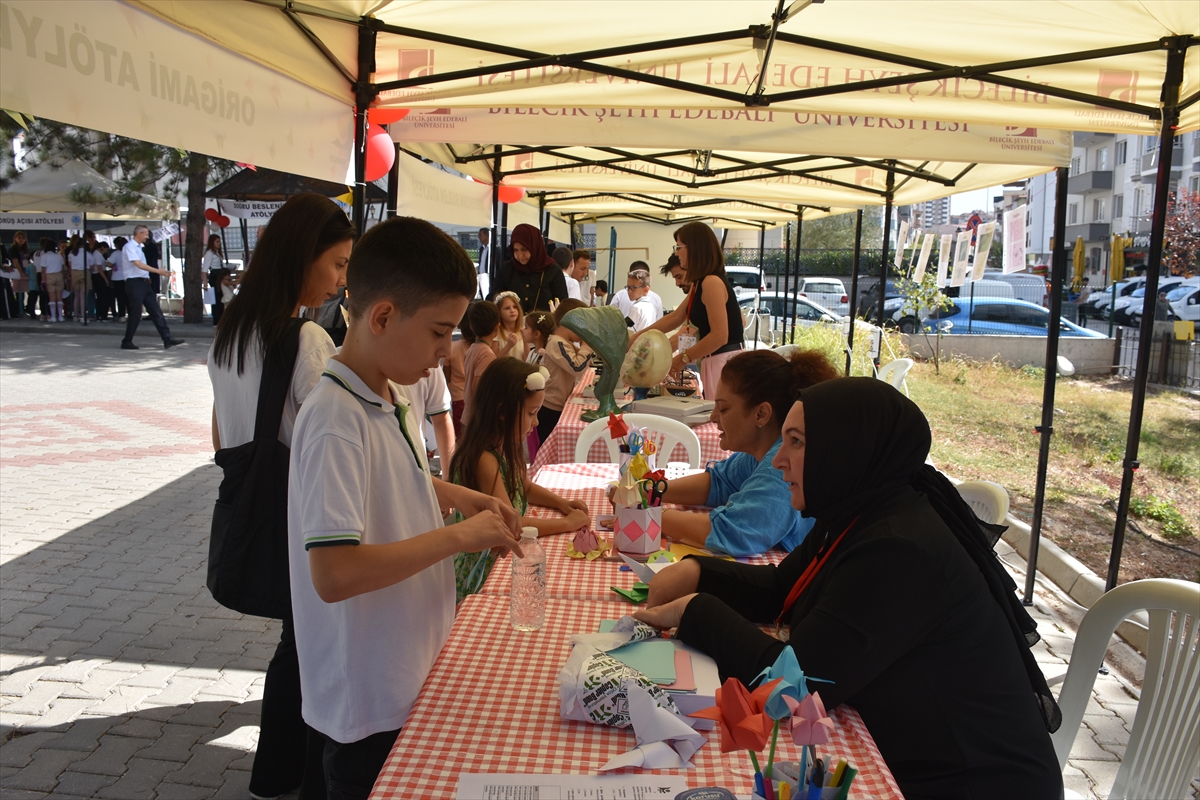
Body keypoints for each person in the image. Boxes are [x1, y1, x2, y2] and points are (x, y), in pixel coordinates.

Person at [634, 378, 1063, 800]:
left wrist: (696, 610)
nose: (779, 460)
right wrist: (698, 571)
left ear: (847, 449)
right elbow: (782, 588)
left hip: (971, 783)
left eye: (797, 442)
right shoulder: (857, 512)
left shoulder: (897, 550)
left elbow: (794, 688)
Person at [289, 215, 522, 800]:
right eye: (439, 333)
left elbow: (399, 478)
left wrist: (457, 497)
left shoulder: (384, 393)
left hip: (406, 671)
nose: (446, 354)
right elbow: (335, 572)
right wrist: (456, 539)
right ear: (383, 316)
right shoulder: (335, 420)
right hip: (369, 700)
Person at [209, 193, 354, 799]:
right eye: (339, 263)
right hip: (303, 511)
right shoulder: (305, 340)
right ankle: (296, 777)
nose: (343, 279)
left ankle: (274, 776)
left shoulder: (230, 331)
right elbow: (335, 435)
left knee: (296, 645)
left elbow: (219, 430)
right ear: (305, 256)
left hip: (248, 495)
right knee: (312, 650)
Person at [648, 349, 835, 556]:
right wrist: (650, 492)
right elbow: (719, 483)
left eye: (724, 409)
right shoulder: (761, 452)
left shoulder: (780, 466)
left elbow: (733, 533)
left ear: (761, 414)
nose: (713, 416)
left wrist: (649, 513)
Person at [450, 358, 589, 601]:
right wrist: (567, 524)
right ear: (503, 412)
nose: (536, 422)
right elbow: (511, 526)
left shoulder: (504, 445)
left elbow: (525, 487)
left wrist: (561, 503)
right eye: (531, 413)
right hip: (483, 572)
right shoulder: (485, 460)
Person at [635, 222, 744, 400]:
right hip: (713, 361)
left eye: (679, 247)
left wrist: (682, 359)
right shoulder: (699, 283)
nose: (677, 252)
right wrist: (638, 337)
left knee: (721, 420)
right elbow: (676, 317)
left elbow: (719, 336)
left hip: (723, 363)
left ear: (695, 248)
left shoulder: (711, 282)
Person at [118, 225, 184, 350]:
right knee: (135, 313)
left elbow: (142, 266)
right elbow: (138, 264)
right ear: (139, 234)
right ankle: (127, 340)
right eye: (146, 234)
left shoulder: (140, 248)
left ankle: (167, 338)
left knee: (156, 311)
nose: (147, 237)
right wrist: (157, 271)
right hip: (134, 283)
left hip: (144, 283)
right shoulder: (129, 247)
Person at [537, 298, 591, 444]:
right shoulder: (557, 343)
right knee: (550, 446)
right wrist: (586, 346)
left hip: (557, 405)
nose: (583, 332)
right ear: (570, 323)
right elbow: (577, 367)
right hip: (551, 409)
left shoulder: (564, 343)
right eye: (582, 327)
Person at [489, 223, 568, 312]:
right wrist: (500, 297)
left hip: (544, 324)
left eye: (524, 249)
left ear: (535, 247)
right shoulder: (507, 269)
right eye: (516, 250)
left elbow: (563, 304)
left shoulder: (552, 270)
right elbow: (491, 298)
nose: (520, 255)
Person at [461, 300, 502, 427]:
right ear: (497, 327)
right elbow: (480, 388)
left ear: (472, 327)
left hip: (469, 415)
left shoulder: (473, 348)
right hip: (478, 421)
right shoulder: (486, 354)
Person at [446, 308, 472, 439]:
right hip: (477, 396)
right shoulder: (484, 348)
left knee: (460, 433)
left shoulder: (452, 347)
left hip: (458, 395)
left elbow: (447, 374)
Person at [38, 237, 66, 322]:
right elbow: (62, 268)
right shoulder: (59, 256)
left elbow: (43, 271)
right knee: (59, 297)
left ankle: (53, 316)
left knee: (52, 297)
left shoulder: (44, 257)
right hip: (59, 275)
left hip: (49, 276)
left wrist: (43, 281)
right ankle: (60, 316)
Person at [623, 268, 661, 332]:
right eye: (628, 287)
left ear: (646, 289)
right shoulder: (651, 306)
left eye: (633, 288)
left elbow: (628, 333)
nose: (629, 291)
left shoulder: (636, 308)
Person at [492, 291, 525, 359]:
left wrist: (525, 341)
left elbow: (527, 360)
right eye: (507, 308)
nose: (512, 310)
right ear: (499, 312)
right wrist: (508, 346)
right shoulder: (496, 334)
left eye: (515, 307)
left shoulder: (522, 331)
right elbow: (494, 361)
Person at [86, 232, 111, 321]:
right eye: (106, 250)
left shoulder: (98, 254)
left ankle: (101, 314)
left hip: (98, 275)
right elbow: (99, 268)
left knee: (101, 296)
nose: (106, 252)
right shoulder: (97, 254)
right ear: (102, 248)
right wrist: (106, 280)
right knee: (103, 296)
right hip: (98, 276)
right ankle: (102, 315)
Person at [202, 234, 225, 323]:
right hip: (215, 276)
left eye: (219, 241)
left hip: (220, 274)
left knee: (220, 297)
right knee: (216, 298)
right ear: (212, 242)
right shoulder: (209, 253)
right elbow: (204, 269)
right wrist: (205, 283)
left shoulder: (217, 253)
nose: (219, 244)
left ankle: (221, 317)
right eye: (217, 242)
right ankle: (216, 319)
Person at [67, 235, 90, 323]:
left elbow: (69, 265)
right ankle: (83, 316)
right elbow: (91, 265)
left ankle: (75, 315)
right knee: (83, 296)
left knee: (76, 295)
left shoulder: (72, 253)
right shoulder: (87, 253)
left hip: (74, 273)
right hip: (84, 272)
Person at [108, 238, 128, 322]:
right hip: (127, 276)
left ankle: (122, 315)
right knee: (128, 297)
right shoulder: (128, 252)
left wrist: (113, 266)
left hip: (117, 277)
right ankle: (131, 314)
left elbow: (109, 264)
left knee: (120, 298)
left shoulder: (115, 254)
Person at [476, 227, 491, 298]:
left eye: (480, 235)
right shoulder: (482, 249)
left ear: (487, 235)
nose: (478, 237)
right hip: (481, 276)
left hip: (489, 277)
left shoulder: (493, 249)